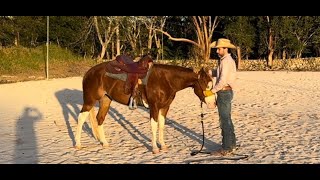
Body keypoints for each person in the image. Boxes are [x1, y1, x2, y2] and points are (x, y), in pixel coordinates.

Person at [203, 38, 238, 156]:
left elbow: (222, 80)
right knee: (227, 119)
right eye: (217, 49)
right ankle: (232, 144)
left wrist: (212, 91)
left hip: (224, 92)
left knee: (224, 121)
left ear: (225, 49)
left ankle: (226, 148)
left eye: (219, 49)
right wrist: (211, 72)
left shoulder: (226, 61)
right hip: (225, 92)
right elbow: (220, 74)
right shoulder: (225, 60)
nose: (217, 51)